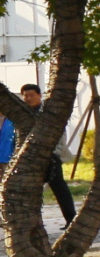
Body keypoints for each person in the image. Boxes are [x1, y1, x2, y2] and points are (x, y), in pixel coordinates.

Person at [14, 84, 77, 224]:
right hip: (29, 158)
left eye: (31, 95)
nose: (28, 98)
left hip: (50, 156)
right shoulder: (23, 113)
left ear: (39, 95)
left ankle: (71, 219)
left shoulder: (47, 112)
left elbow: (59, 135)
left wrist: (53, 153)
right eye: (25, 95)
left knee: (59, 187)